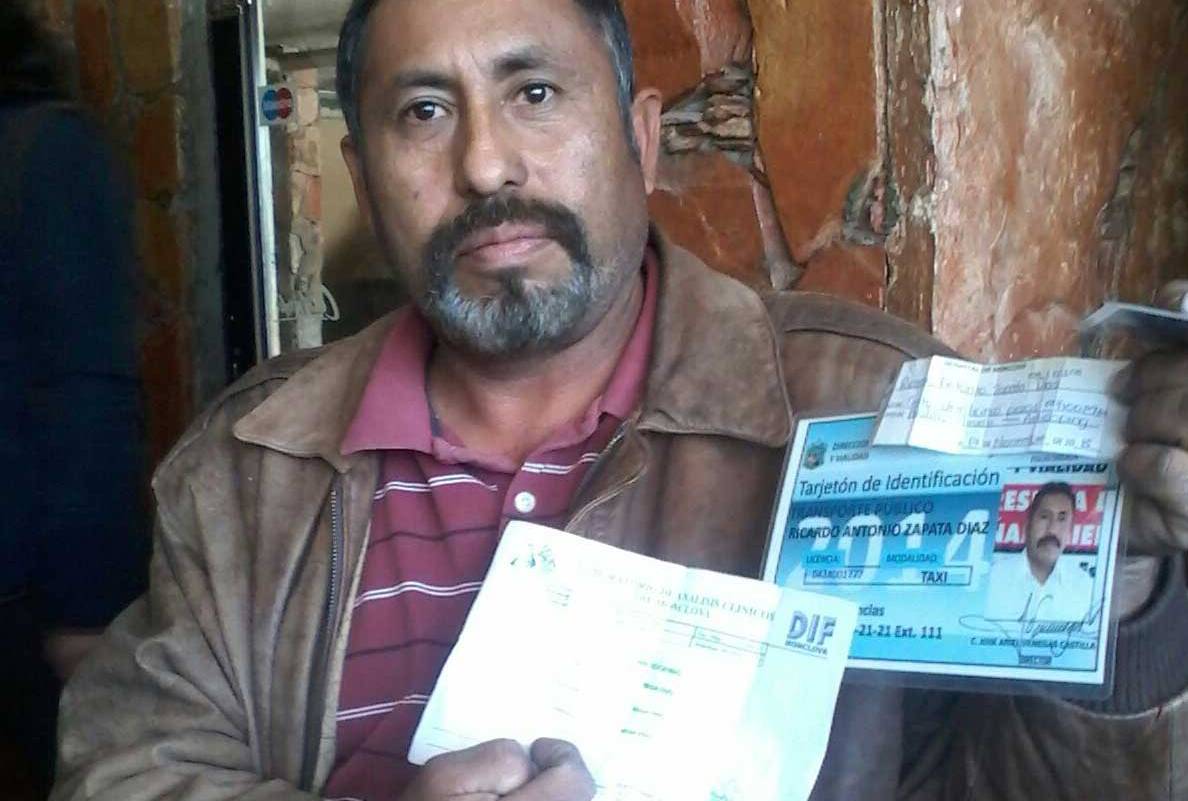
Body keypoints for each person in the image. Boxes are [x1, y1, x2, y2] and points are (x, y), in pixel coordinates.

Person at [51, 0, 1188, 799]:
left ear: (641, 139)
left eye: (535, 92)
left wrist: (1128, 602)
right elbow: (124, 767)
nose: (486, 165)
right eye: (424, 113)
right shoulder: (250, 464)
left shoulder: (881, 406)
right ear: (361, 176)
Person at [0, 2, 148, 797]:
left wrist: (85, 608)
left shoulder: (42, 152)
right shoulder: (46, 149)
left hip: (30, 593)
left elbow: (82, 390)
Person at [984, 483, 1094, 621]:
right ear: (1028, 525)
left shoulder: (1086, 587)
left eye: (1062, 519)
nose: (1052, 529)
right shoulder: (993, 579)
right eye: (1044, 517)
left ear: (1070, 530)